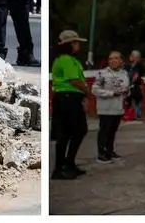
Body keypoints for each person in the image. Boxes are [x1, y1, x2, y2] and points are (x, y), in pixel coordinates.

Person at [51, 30, 91, 180]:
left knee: (74, 132)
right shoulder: (66, 60)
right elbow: (74, 80)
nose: (78, 45)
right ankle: (62, 166)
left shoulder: (69, 60)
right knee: (70, 133)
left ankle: (67, 164)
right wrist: (87, 91)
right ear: (69, 45)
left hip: (69, 98)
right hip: (67, 98)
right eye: (75, 42)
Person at [93, 50, 131, 162]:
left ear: (121, 60)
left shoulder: (124, 74)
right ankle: (101, 153)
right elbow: (95, 90)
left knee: (112, 131)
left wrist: (126, 92)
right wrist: (111, 93)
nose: (113, 61)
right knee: (104, 131)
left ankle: (110, 151)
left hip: (118, 107)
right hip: (105, 108)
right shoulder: (102, 73)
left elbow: (127, 88)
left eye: (115, 58)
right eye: (110, 58)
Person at [127, 49, 145, 118]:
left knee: (135, 100)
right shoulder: (130, 66)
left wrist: (132, 80)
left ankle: (136, 115)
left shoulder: (138, 66)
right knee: (133, 101)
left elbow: (137, 76)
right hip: (132, 86)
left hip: (136, 86)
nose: (130, 56)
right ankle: (135, 114)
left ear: (136, 57)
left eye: (132, 55)